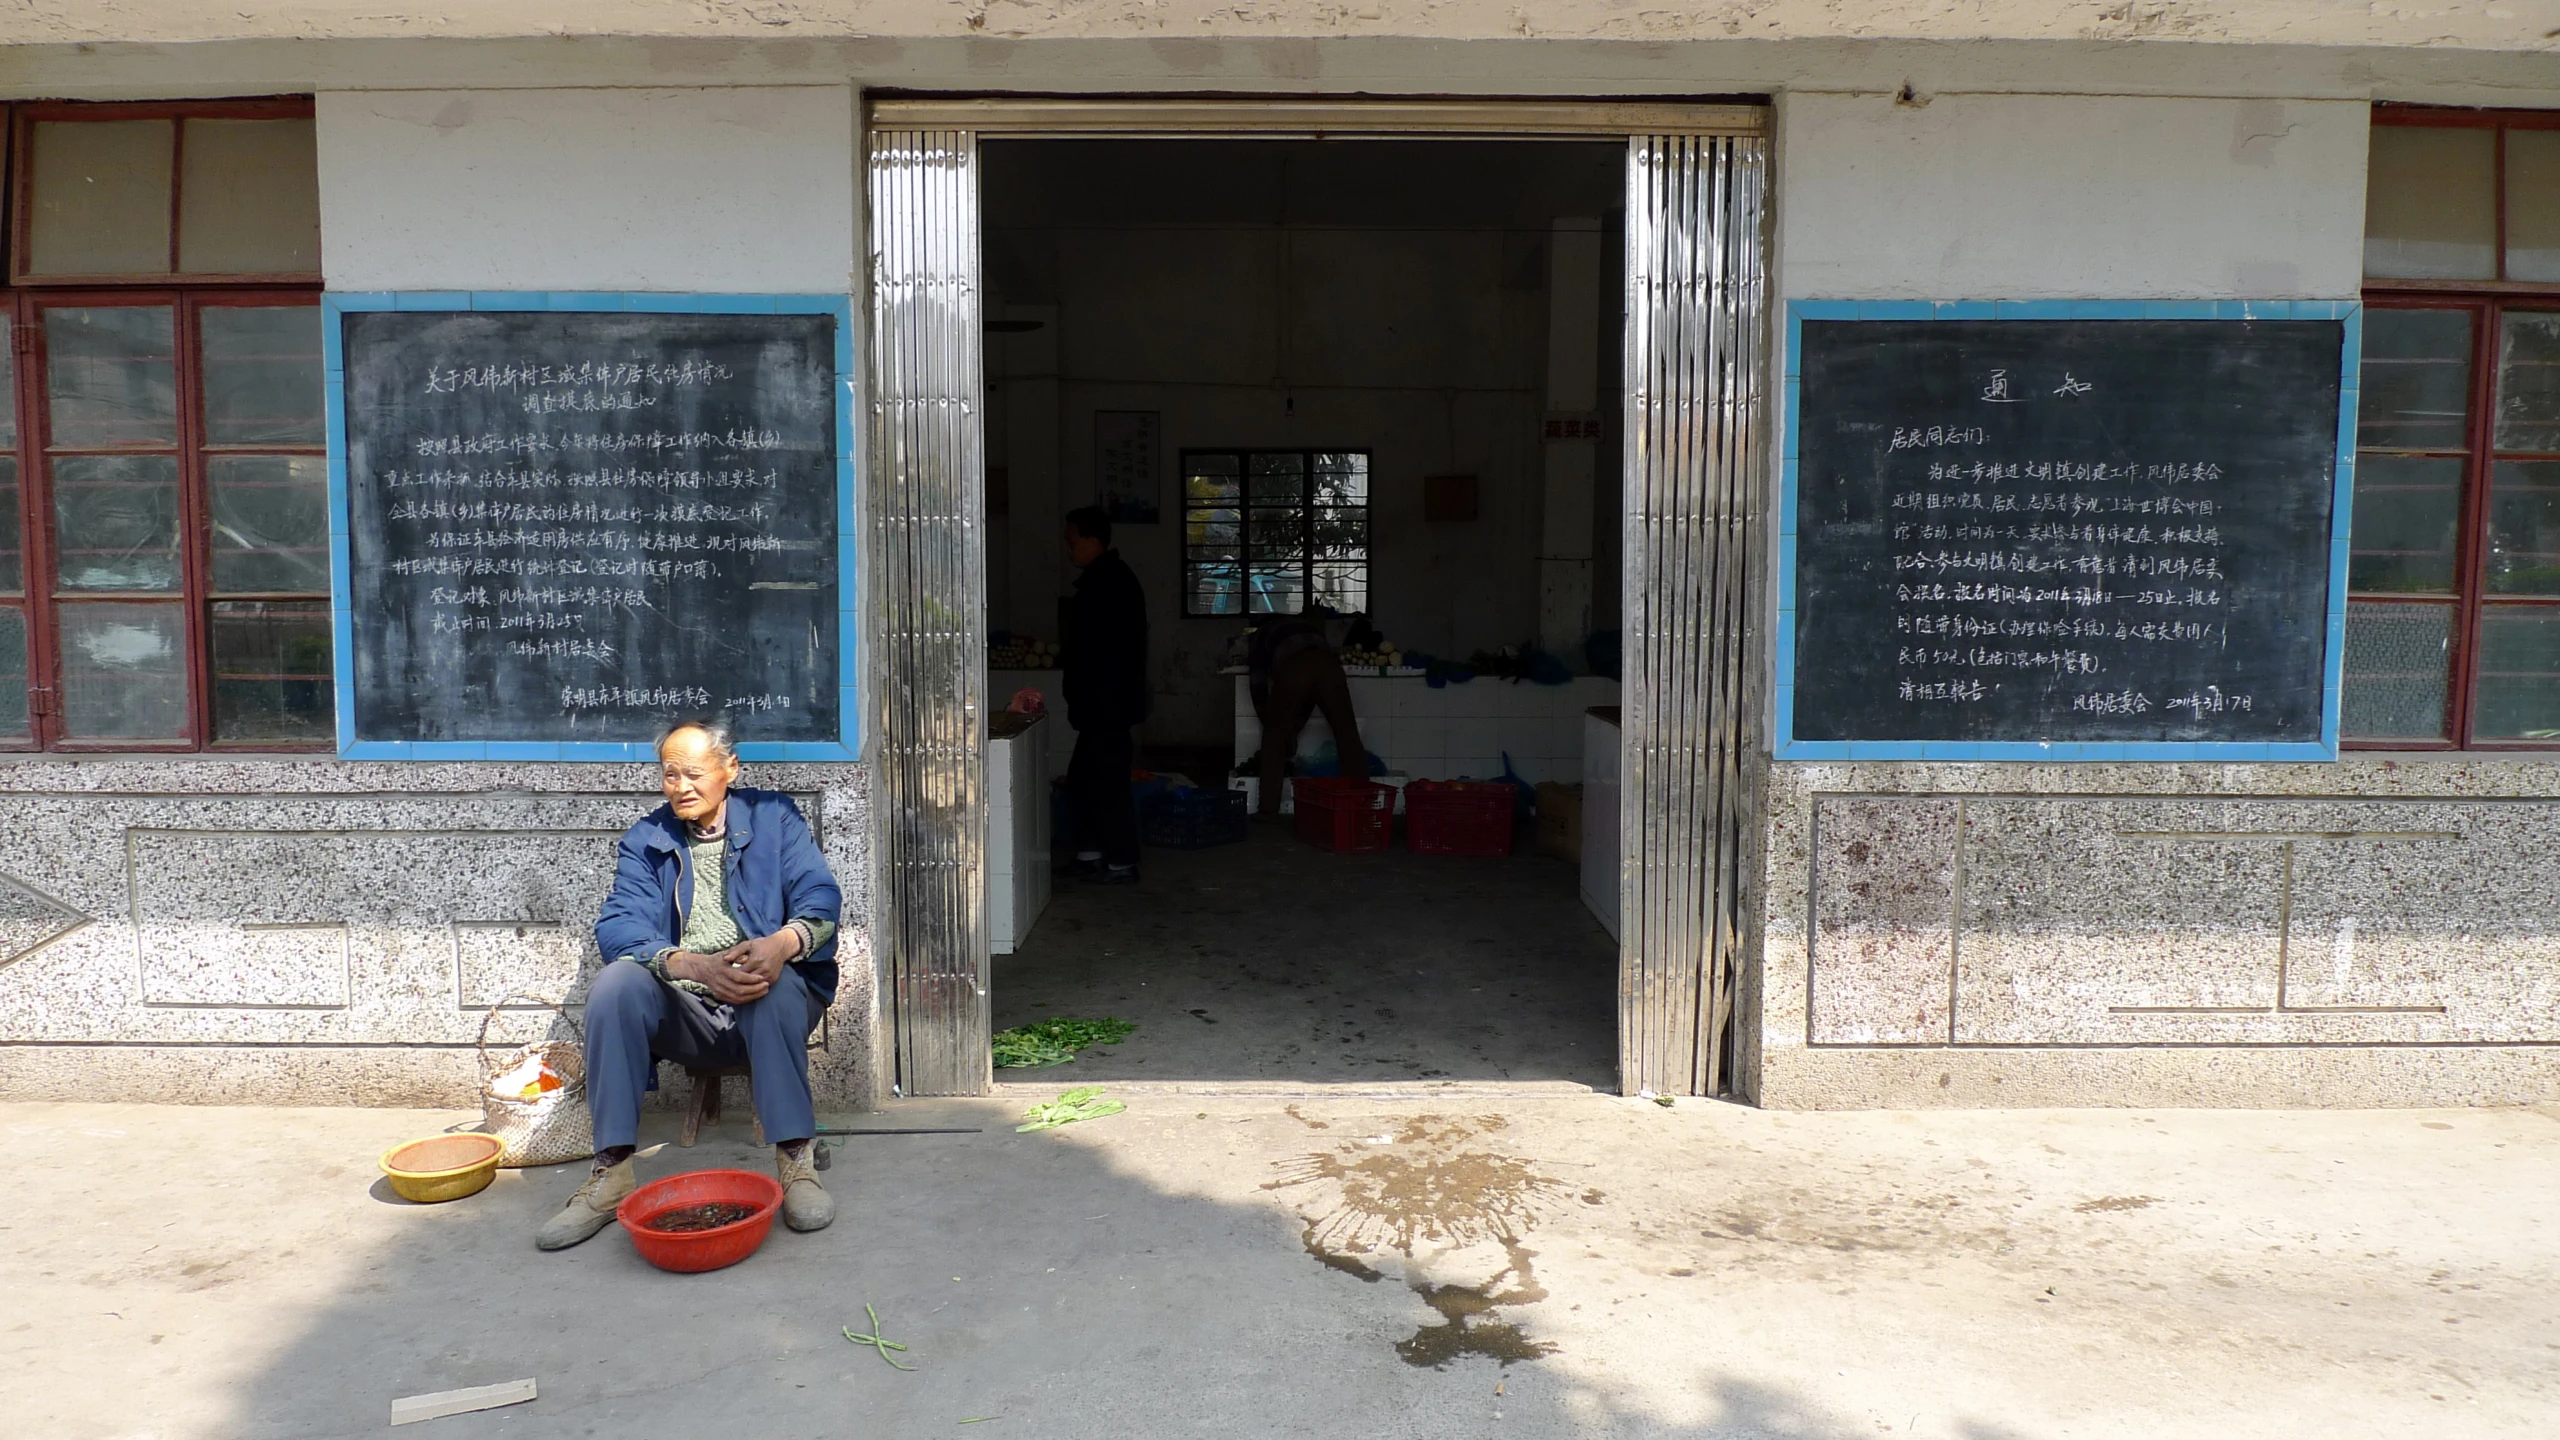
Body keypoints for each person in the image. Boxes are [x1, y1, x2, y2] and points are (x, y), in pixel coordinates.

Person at [538, 717, 843, 1250]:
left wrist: (780, 945)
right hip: (687, 1006)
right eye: (670, 773)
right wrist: (692, 966)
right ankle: (610, 1173)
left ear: (730, 769)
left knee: (767, 995)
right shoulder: (647, 839)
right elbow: (618, 927)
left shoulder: (775, 818)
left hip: (771, 992)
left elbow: (821, 900)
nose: (681, 786)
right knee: (614, 986)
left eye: (694, 773)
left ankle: (796, 1162)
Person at [1060, 505, 1149, 883]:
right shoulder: (1109, 580)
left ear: (1094, 541)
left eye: (1073, 541)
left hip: (1106, 704)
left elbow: (1096, 653)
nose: (1069, 549)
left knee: (1107, 784)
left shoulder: (1107, 585)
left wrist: (1088, 697)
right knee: (1084, 780)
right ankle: (1092, 852)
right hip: (1104, 704)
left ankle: (1122, 861)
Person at [1248, 611, 1367, 820]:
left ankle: (1268, 810)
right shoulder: (1310, 628)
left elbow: (1258, 684)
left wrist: (1273, 724)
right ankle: (1362, 803)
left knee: (1273, 739)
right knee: (1347, 734)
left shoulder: (1261, 635)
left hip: (1294, 668)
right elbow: (1311, 697)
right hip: (1330, 667)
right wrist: (1293, 729)